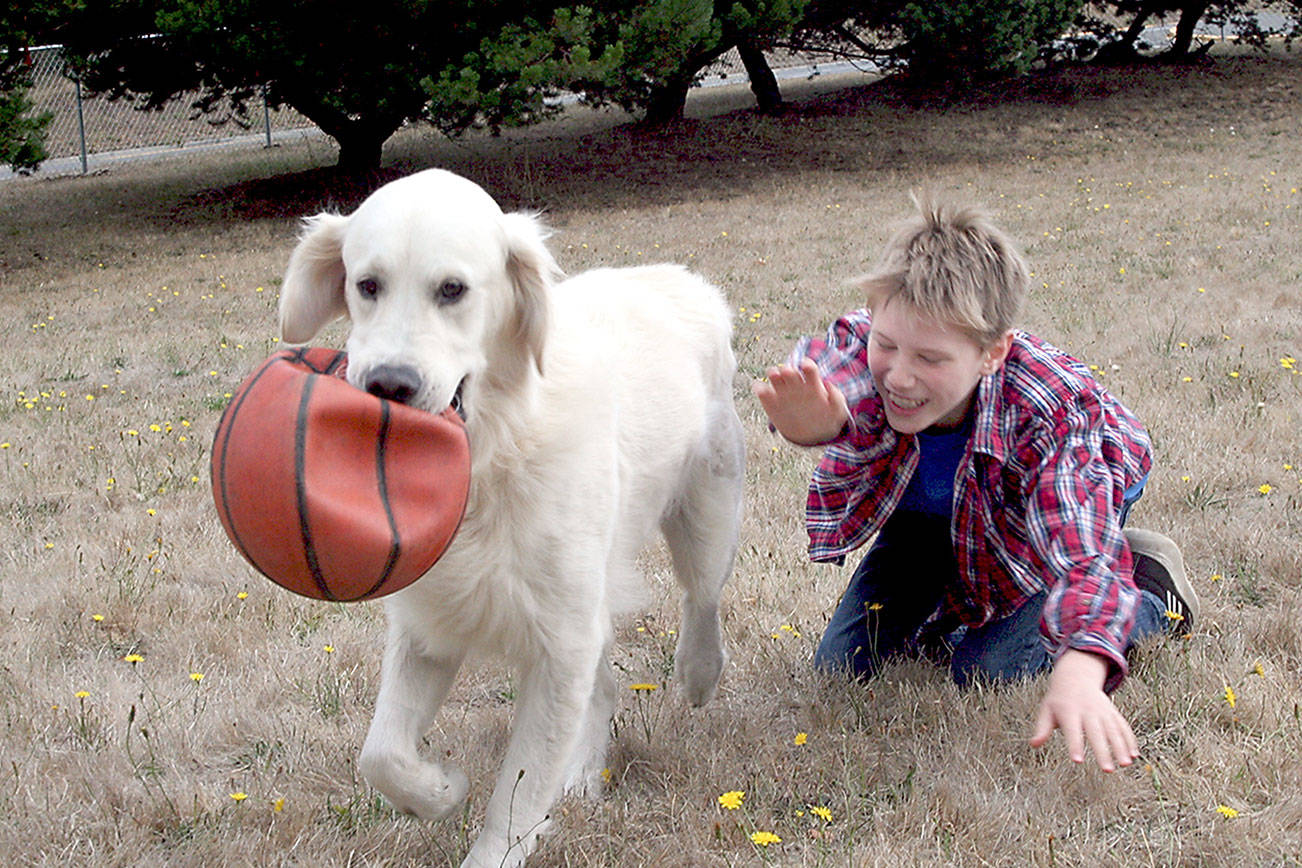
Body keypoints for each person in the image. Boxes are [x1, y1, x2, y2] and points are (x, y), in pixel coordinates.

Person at [752, 193, 1199, 772]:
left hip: (1042, 510)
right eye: (886, 344)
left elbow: (1080, 552)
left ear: (993, 352)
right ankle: (964, 582)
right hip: (935, 513)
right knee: (842, 667)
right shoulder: (863, 348)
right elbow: (835, 383)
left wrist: (1082, 666)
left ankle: (1150, 588)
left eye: (931, 359)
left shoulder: (1050, 412)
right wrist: (818, 422)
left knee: (986, 672)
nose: (900, 375)